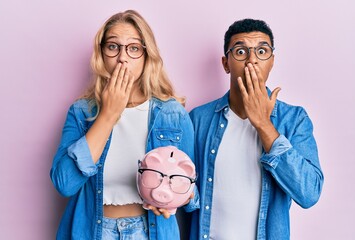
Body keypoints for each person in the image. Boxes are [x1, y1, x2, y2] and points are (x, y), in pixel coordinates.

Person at [50, 10, 198, 240]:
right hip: (93, 231)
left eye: (134, 48)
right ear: (101, 55)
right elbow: (64, 183)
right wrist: (108, 115)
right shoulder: (81, 112)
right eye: (112, 47)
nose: (122, 57)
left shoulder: (172, 114)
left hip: (150, 232)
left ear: (147, 56)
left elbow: (191, 187)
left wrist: (174, 198)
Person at [189, 18, 324, 239]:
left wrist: (263, 124)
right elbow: (183, 191)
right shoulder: (199, 119)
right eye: (241, 52)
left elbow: (309, 193)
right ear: (226, 63)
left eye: (262, 51)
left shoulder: (294, 119)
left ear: (272, 61)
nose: (252, 60)